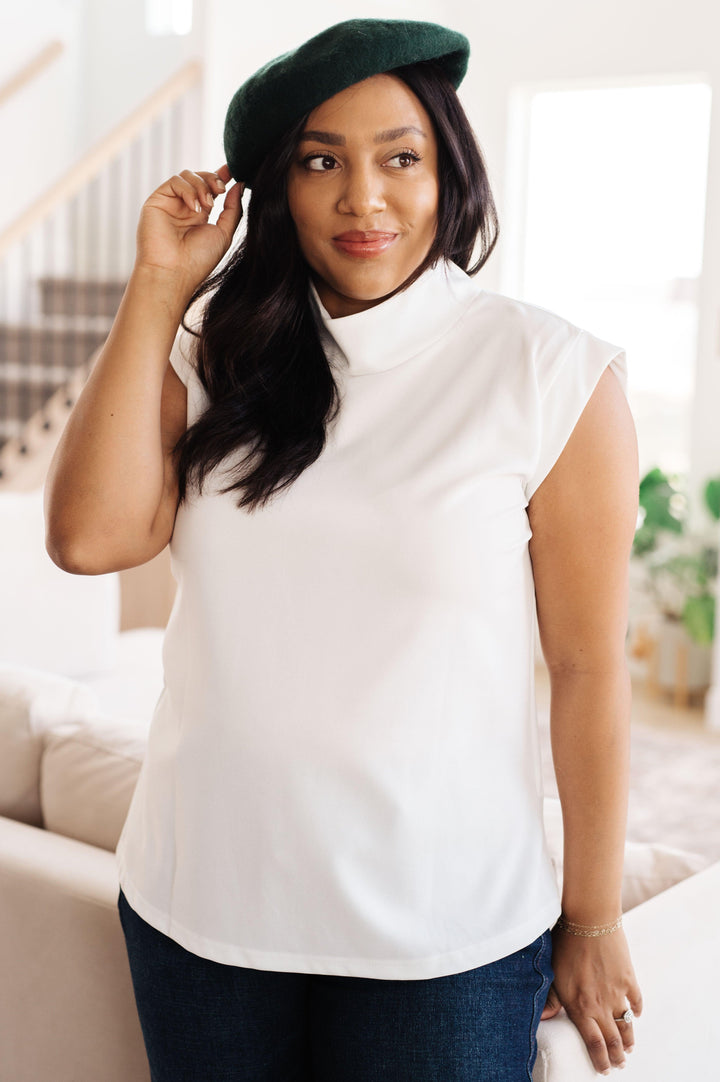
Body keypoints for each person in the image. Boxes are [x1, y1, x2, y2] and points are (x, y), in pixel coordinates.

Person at [44, 17, 642, 1082]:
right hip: (201, 914)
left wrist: (592, 918)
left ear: (447, 169)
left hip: (443, 942)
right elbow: (88, 536)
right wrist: (157, 288)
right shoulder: (212, 347)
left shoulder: (548, 372)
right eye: (322, 160)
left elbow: (591, 666)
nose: (365, 199)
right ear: (278, 188)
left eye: (399, 157)